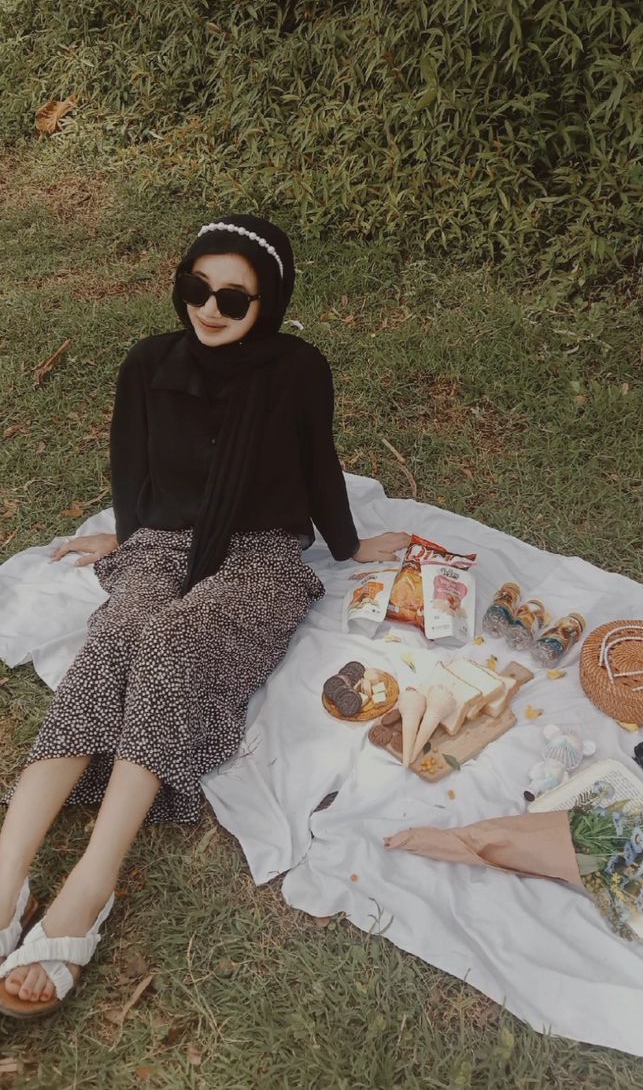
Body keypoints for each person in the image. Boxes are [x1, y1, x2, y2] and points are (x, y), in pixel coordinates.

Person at [0, 215, 409, 1017]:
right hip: (162, 542)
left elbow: (319, 463)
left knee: (175, 645)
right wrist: (125, 536)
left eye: (233, 296)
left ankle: (91, 884)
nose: (210, 309)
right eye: (197, 287)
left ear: (271, 301)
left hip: (260, 553)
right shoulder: (149, 363)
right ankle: (9, 866)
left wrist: (352, 543)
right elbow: (131, 463)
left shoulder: (297, 370)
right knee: (116, 637)